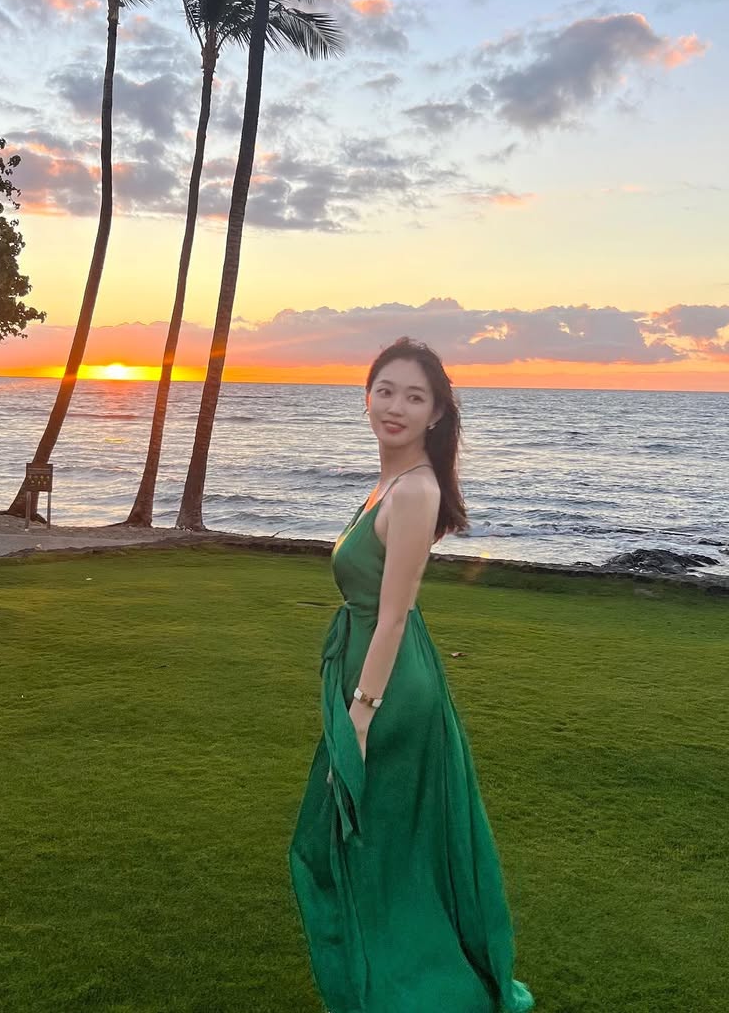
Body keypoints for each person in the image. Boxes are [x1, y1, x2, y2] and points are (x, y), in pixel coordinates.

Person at [288, 337, 534, 1013]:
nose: (395, 406)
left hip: (390, 690)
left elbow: (393, 617)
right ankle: (389, 976)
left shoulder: (417, 490)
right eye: (386, 390)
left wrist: (360, 717)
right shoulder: (392, 483)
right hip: (373, 671)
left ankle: (417, 990)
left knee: (373, 849)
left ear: (437, 413)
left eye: (414, 396)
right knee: (372, 847)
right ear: (366, 397)